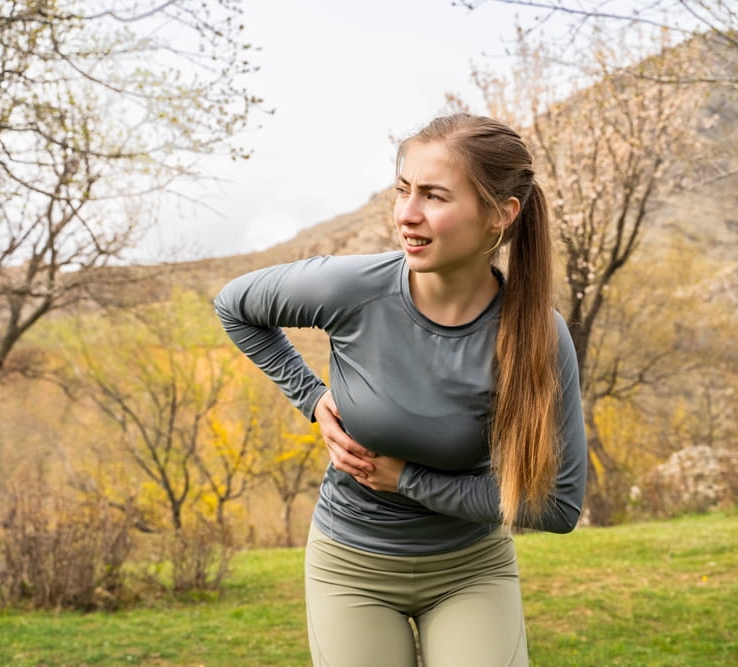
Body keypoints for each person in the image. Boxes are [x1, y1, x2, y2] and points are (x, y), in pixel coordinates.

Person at [214, 113, 587, 667]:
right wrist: (313, 399)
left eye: (434, 196)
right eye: (403, 191)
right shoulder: (352, 290)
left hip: (470, 570)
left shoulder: (536, 335)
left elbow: (556, 505)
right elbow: (235, 306)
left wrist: (409, 481)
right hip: (351, 566)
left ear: (499, 216)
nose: (407, 214)